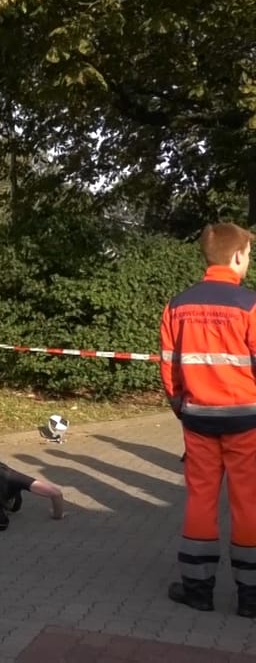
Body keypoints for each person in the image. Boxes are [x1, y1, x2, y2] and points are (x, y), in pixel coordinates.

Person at [159, 222, 256, 617]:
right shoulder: (251, 305)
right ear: (237, 256)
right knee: (248, 501)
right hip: (246, 418)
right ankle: (250, 598)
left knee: (200, 499)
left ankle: (198, 589)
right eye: (249, 254)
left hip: (197, 416)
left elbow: (169, 368)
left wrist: (182, 406)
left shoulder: (177, 306)